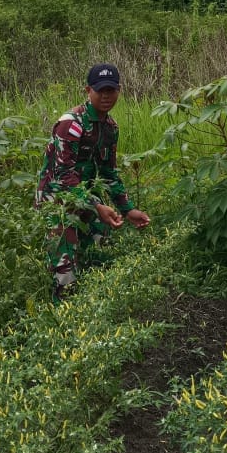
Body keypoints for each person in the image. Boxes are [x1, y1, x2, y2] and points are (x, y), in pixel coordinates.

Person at [35, 63, 150, 301]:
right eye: (100, 91)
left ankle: (97, 304)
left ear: (119, 90)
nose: (106, 96)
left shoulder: (110, 128)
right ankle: (63, 311)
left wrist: (127, 209)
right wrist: (97, 206)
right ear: (88, 90)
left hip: (84, 194)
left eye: (111, 90)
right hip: (56, 197)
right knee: (64, 262)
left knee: (101, 244)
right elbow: (63, 176)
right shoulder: (71, 123)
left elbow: (108, 172)